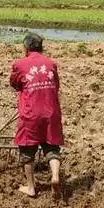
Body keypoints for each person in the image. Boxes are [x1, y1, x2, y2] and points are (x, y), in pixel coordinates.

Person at [10, 33, 64, 199]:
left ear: (25, 48)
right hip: (51, 112)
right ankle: (55, 177)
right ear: (42, 48)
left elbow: (14, 84)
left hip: (31, 114)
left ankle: (31, 187)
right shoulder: (51, 64)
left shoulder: (19, 64)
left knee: (27, 151)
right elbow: (57, 85)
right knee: (52, 148)